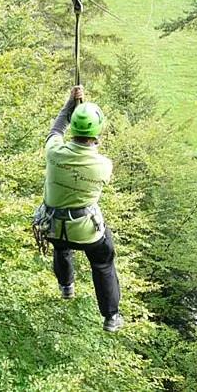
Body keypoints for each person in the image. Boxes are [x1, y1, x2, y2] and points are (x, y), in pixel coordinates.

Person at [41, 85, 122, 332]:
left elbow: (56, 129)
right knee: (103, 262)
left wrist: (70, 104)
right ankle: (111, 316)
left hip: (53, 226)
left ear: (74, 130)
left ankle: (66, 286)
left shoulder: (54, 152)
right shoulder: (104, 166)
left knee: (61, 245)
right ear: (98, 133)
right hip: (86, 231)